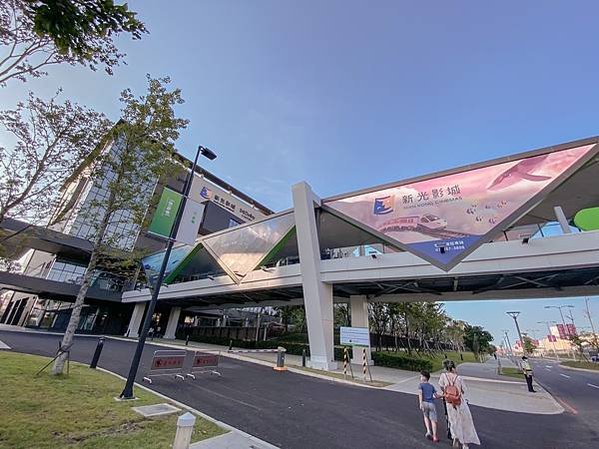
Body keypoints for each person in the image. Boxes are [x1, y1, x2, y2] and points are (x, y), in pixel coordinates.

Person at [439, 360, 480, 449]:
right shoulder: (459, 378)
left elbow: (442, 387)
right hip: (459, 402)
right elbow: (463, 390)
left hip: (449, 403)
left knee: (453, 421)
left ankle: (455, 437)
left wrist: (448, 392)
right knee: (464, 422)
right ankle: (465, 443)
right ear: (454, 367)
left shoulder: (443, 376)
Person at [418, 370, 440, 443]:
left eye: (421, 376)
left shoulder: (420, 385)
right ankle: (435, 436)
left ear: (424, 377)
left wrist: (420, 403)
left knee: (426, 417)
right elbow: (436, 396)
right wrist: (442, 395)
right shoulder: (431, 386)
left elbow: (420, 394)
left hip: (424, 403)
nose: (420, 377)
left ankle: (428, 431)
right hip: (431, 404)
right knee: (433, 420)